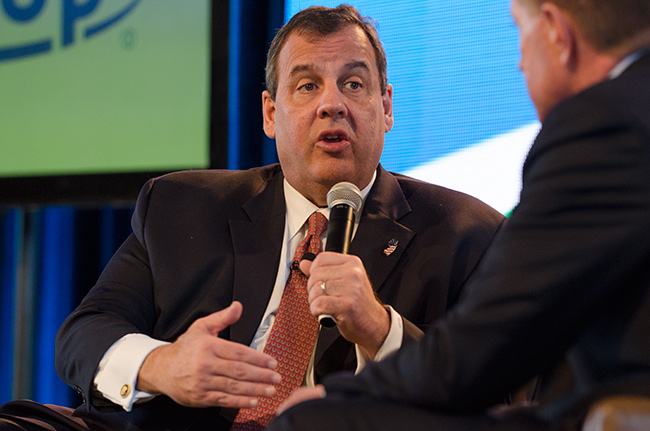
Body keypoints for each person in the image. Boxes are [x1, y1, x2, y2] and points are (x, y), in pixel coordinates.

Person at [0, 5, 504, 431]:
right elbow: (83, 333)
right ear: (269, 113)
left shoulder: (465, 233)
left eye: (353, 83)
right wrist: (163, 365)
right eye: (307, 86)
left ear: (386, 107)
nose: (332, 104)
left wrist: (379, 328)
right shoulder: (180, 206)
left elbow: (501, 394)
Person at [270, 0, 650, 430]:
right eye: (306, 86)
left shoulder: (604, 127)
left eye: (519, 34)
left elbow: (487, 350)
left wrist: (335, 397)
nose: (522, 62)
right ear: (270, 111)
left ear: (556, 33)